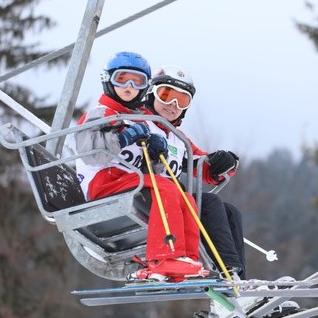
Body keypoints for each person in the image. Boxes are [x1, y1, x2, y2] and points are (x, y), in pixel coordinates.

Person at [74, 52, 208, 281]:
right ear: (108, 81)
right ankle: (164, 257)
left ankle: (186, 259)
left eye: (137, 83)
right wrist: (124, 138)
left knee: (184, 196)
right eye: (122, 79)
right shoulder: (101, 114)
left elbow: (149, 171)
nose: (128, 87)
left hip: (126, 181)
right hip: (102, 181)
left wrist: (156, 154)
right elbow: (91, 154)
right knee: (165, 187)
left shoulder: (138, 119)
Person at [142, 64, 246, 280]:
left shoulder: (178, 139)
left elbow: (201, 164)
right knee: (209, 203)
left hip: (172, 199)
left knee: (230, 212)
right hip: (147, 194)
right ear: (152, 94)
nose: (172, 105)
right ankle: (229, 275)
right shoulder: (137, 123)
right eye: (166, 95)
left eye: (181, 101)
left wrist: (224, 163)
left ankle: (239, 281)